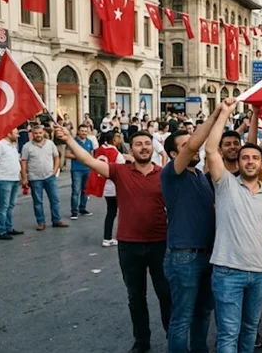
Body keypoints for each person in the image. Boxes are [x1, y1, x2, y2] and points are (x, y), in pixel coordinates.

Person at [59, 127, 171, 353]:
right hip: (129, 245)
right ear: (131, 148)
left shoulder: (164, 174)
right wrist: (69, 139)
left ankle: (174, 337)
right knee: (135, 297)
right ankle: (142, 341)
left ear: (153, 147)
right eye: (138, 144)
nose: (143, 147)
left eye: (147, 144)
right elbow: (87, 160)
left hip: (160, 244)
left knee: (166, 295)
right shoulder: (119, 171)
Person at [205, 99, 262, 353]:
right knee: (228, 333)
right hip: (228, 272)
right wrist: (224, 113)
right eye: (244, 158)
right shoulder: (225, 184)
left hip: (258, 273)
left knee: (249, 330)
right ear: (237, 164)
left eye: (255, 158)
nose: (249, 162)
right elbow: (211, 151)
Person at [161, 103, 224, 353]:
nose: (194, 147)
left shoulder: (200, 176)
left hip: (208, 255)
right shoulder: (172, 174)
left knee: (203, 314)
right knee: (182, 318)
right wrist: (216, 114)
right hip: (184, 257)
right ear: (174, 155)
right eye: (186, 145)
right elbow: (195, 145)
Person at [20, 124, 69, 230]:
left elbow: (56, 157)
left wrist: (55, 170)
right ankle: (41, 222)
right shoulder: (27, 146)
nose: (38, 135)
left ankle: (56, 220)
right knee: (38, 202)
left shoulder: (50, 144)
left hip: (49, 176)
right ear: (32, 134)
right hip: (34, 178)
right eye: (36, 133)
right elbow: (24, 162)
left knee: (55, 199)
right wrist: (24, 177)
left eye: (40, 133)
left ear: (43, 133)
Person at [0, 129, 24, 240]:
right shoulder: (0, 144)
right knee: (3, 206)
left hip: (14, 179)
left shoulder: (13, 145)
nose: (18, 135)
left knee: (11, 205)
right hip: (3, 179)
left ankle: (8, 227)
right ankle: (1, 231)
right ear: (8, 133)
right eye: (16, 133)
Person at [66, 124, 94, 220]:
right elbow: (67, 154)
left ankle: (83, 208)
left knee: (85, 190)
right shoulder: (73, 142)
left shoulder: (90, 142)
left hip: (87, 169)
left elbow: (91, 155)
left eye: (86, 131)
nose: (84, 133)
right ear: (78, 131)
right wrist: (79, 156)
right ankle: (74, 211)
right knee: (75, 191)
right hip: (76, 170)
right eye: (82, 131)